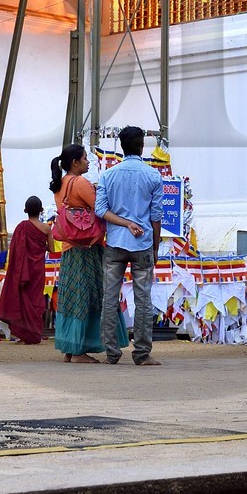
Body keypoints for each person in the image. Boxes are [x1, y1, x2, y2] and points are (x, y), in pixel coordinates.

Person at [50, 146, 130, 363]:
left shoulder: (60, 184)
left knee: (71, 296)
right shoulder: (80, 183)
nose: (88, 162)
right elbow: (100, 208)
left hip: (69, 247)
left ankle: (71, 348)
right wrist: (126, 221)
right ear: (75, 162)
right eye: (85, 159)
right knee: (89, 296)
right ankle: (79, 352)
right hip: (88, 247)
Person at [96, 126, 166, 367]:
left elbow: (101, 210)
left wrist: (124, 223)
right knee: (143, 299)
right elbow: (156, 216)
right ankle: (142, 353)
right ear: (141, 146)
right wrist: (155, 247)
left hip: (115, 242)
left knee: (110, 297)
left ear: (122, 147)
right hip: (143, 243)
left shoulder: (107, 175)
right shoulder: (153, 176)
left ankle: (111, 352)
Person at [0, 195, 50, 344]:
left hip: (23, 271)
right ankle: (33, 335)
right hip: (38, 270)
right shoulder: (46, 228)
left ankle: (25, 335)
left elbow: (15, 252)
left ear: (25, 210)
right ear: (41, 210)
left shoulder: (21, 227)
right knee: (35, 300)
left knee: (23, 298)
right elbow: (50, 248)